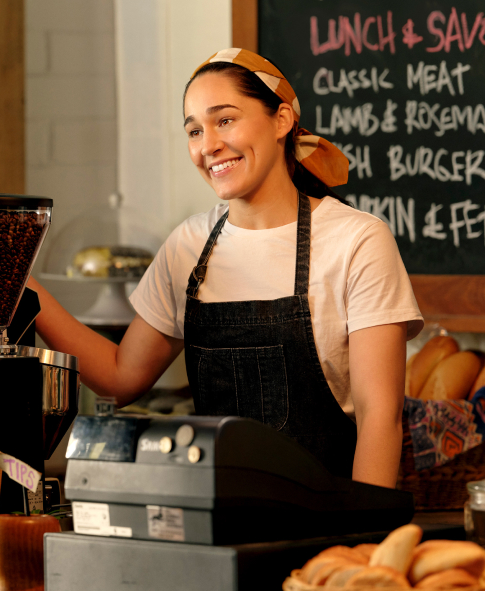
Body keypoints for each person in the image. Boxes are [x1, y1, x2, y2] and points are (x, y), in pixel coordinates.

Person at [30, 49, 423, 487]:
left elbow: (379, 417)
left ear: (282, 120)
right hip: (213, 523)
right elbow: (119, 379)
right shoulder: (189, 246)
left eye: (225, 120)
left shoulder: (357, 240)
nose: (208, 145)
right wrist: (25, 291)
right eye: (194, 130)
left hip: (325, 527)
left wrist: (363, 547)